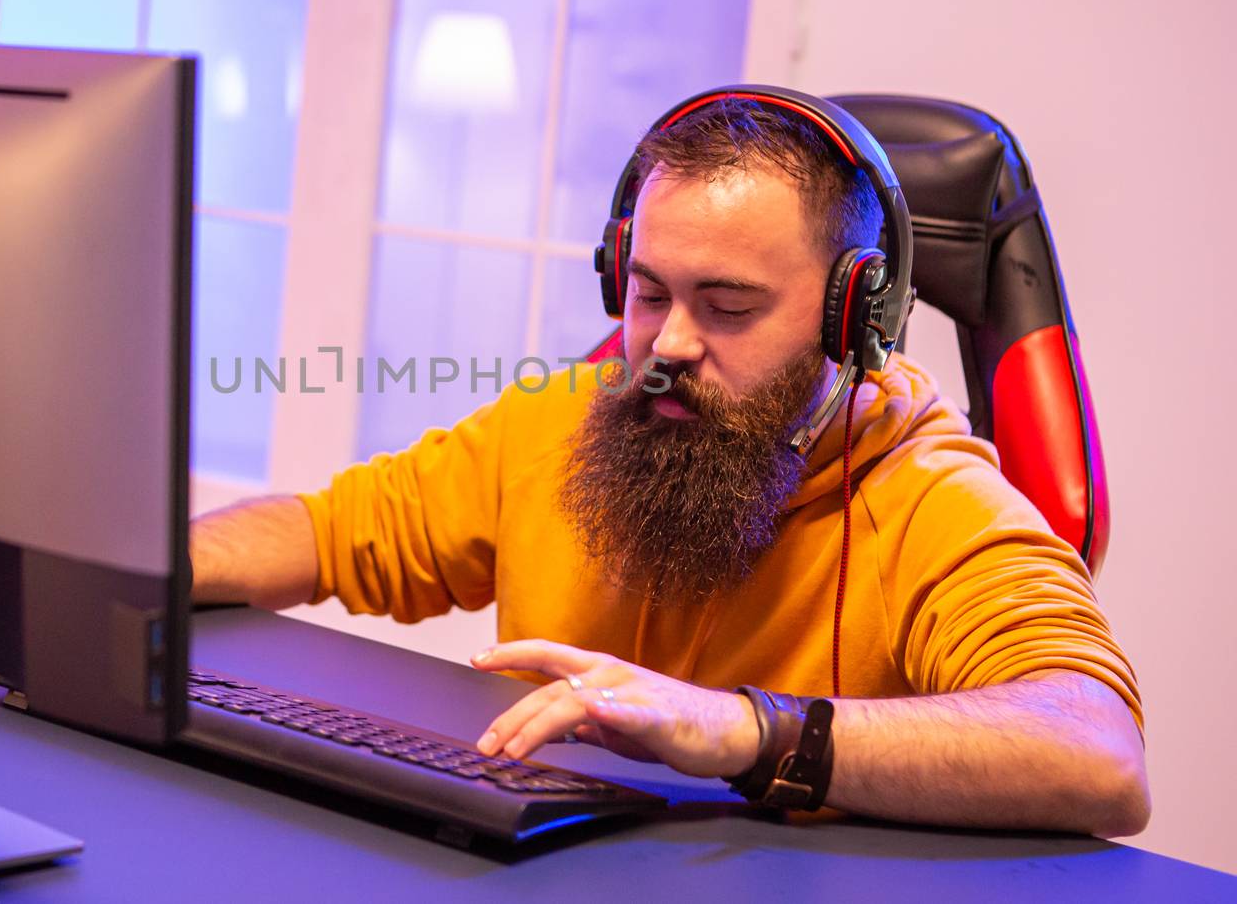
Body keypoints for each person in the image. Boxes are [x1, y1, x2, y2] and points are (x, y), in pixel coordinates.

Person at [192, 94, 1149, 837]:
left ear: (849, 317)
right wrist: (130, 559)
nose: (669, 343)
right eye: (649, 293)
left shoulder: (935, 497)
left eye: (728, 307)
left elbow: (1100, 751)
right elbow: (325, 532)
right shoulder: (575, 418)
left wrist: (745, 728)